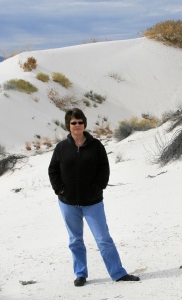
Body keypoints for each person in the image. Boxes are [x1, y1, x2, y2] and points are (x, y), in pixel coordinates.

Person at [48, 108, 140, 287]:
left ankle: (118, 273)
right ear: (68, 125)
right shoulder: (61, 148)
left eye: (80, 122)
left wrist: (97, 187)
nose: (77, 125)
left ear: (84, 124)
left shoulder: (96, 145)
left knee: (103, 238)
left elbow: (104, 169)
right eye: (73, 122)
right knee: (75, 240)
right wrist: (60, 190)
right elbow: (53, 170)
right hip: (68, 203)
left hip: (93, 202)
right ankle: (80, 274)